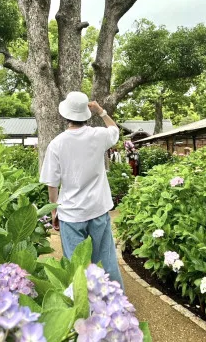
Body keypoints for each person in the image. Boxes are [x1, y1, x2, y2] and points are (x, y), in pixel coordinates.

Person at [39, 91, 124, 289]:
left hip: (70, 213)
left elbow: (52, 183)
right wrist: (101, 112)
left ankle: (80, 308)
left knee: (75, 266)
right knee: (106, 260)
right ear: (86, 113)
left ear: (66, 114)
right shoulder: (99, 135)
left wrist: (54, 212)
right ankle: (116, 304)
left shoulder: (56, 144)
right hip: (98, 208)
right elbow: (114, 130)